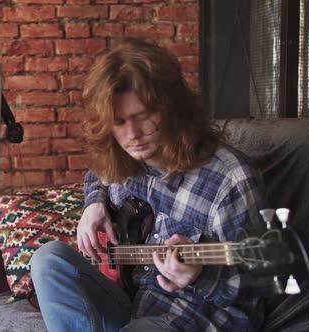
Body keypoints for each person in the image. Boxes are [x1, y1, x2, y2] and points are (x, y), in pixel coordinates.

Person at [30, 38, 268, 331]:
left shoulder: (230, 179)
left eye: (142, 116)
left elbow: (258, 291)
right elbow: (98, 174)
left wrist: (201, 276)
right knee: (48, 259)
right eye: (119, 122)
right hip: (131, 303)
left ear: (172, 109)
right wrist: (94, 202)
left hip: (193, 317)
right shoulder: (124, 158)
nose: (132, 134)